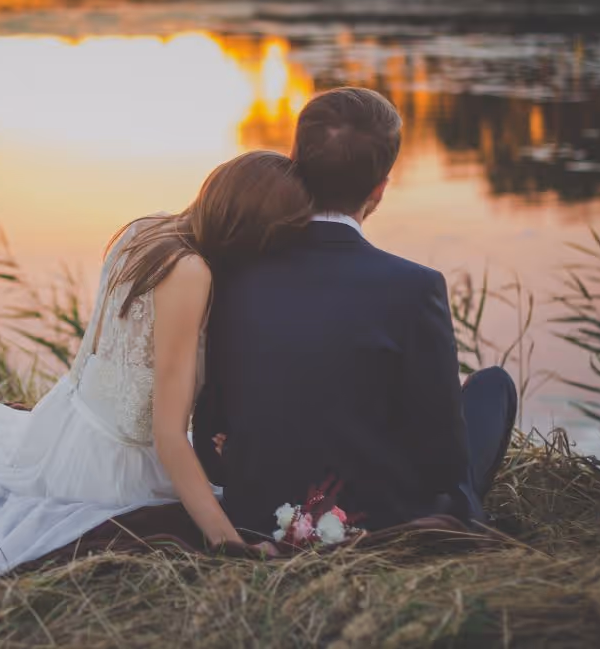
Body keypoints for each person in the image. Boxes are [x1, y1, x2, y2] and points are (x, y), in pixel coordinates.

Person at [0, 151, 313, 595]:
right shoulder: (191, 272)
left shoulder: (150, 228)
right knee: (227, 511)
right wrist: (225, 543)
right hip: (112, 464)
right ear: (255, 231)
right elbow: (166, 433)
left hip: (66, 422)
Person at [193, 88, 517, 534]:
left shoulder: (232, 274)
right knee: (491, 388)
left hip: (258, 511)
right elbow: (443, 459)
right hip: (376, 514)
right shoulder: (415, 287)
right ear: (380, 187)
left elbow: (209, 443)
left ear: (296, 165)